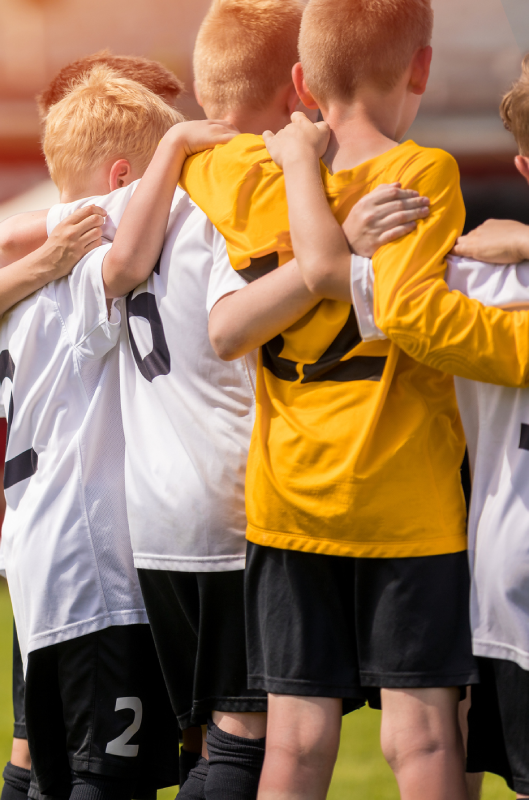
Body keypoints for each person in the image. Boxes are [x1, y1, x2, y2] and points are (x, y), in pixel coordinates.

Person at [0, 5, 426, 796]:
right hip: (173, 525)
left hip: (100, 532)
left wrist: (164, 156)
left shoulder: (77, 238)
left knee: (51, 752)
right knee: (223, 740)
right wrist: (335, 240)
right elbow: (208, 300)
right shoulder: (203, 204)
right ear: (298, 89)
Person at [177, 0, 529, 796]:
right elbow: (415, 315)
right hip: (406, 498)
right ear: (422, 67)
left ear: (301, 81)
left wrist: (185, 144)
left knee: (295, 748)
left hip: (290, 498)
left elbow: (211, 163)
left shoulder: (251, 175)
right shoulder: (420, 172)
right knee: (426, 739)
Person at [0, 65, 236, 800]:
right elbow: (120, 266)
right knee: (109, 775)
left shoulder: (12, 284)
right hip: (95, 568)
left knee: (37, 762)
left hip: (33, 560)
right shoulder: (76, 275)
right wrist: (181, 145)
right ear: (122, 179)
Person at [339, 55, 529, 800]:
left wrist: (352, 236)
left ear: (521, 164)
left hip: (505, 570)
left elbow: (341, 301)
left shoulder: (463, 276)